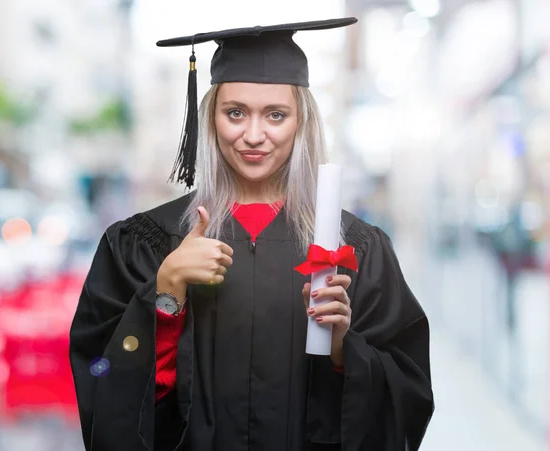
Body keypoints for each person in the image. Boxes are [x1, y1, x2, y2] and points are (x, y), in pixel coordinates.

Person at [69, 18, 434, 451]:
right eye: (235, 112)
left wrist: (343, 351)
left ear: (301, 122)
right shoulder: (144, 243)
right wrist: (165, 294)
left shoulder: (355, 246)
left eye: (276, 115)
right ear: (211, 119)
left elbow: (407, 393)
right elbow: (101, 377)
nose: (254, 135)